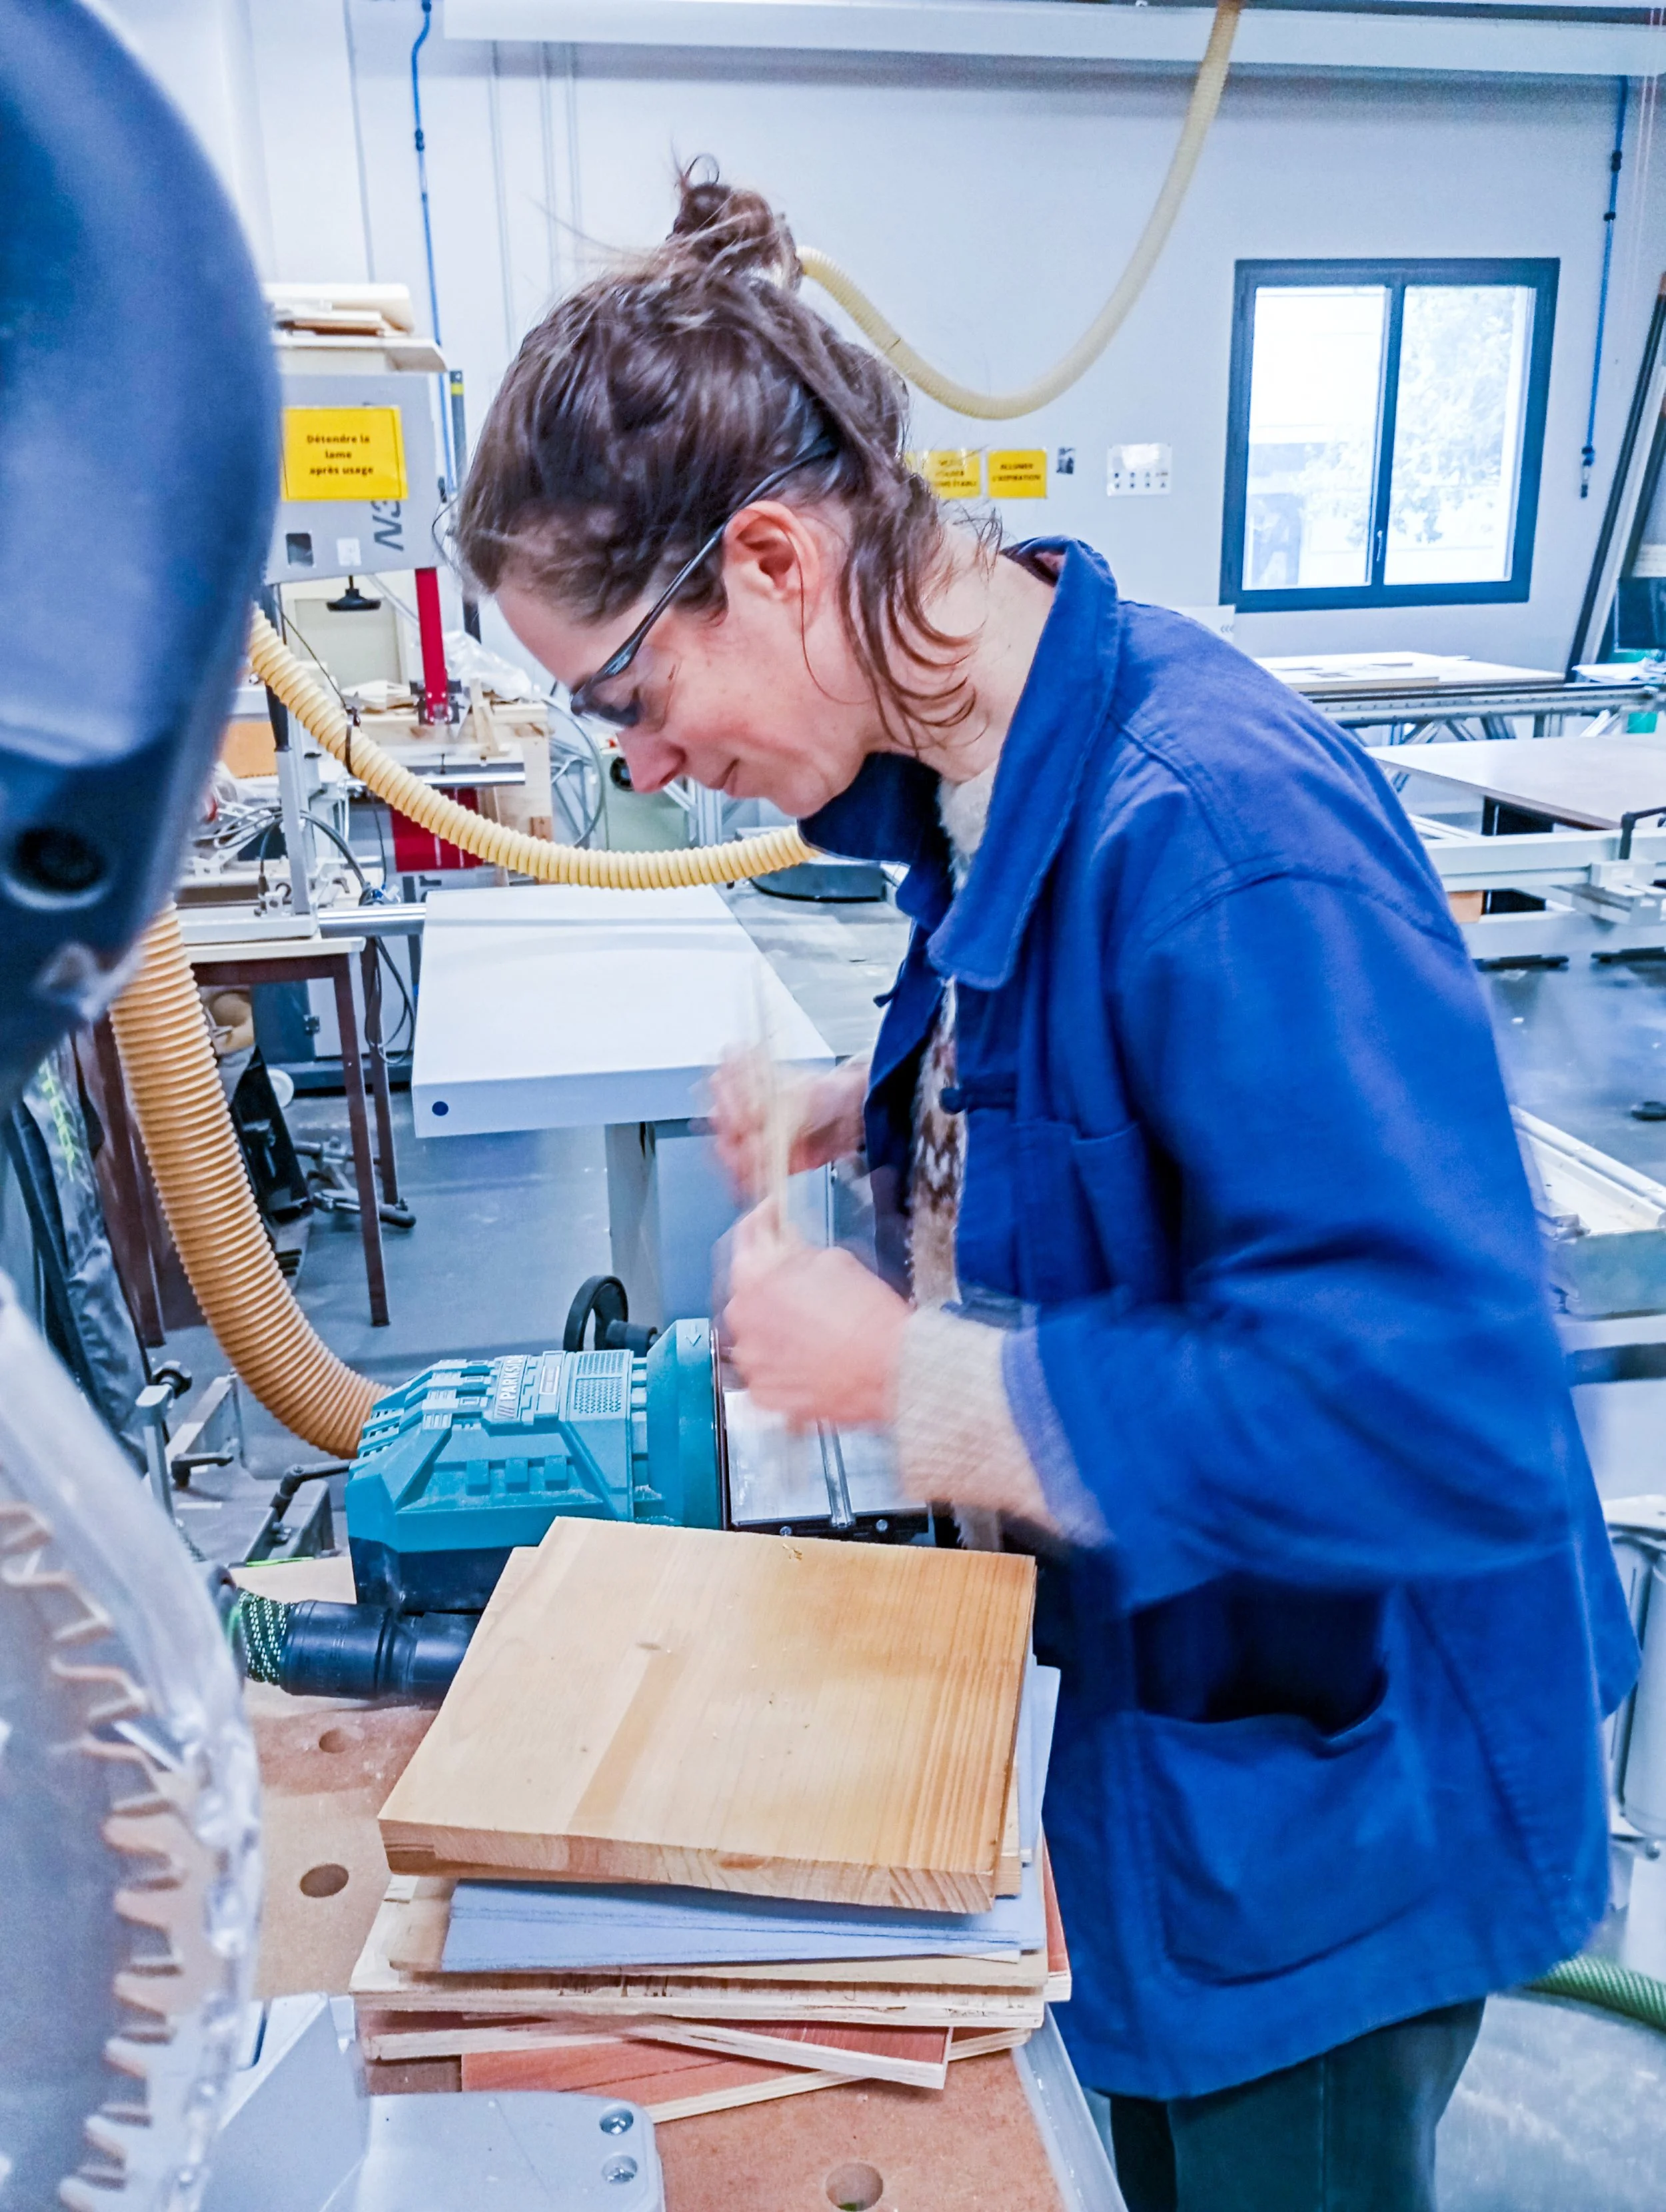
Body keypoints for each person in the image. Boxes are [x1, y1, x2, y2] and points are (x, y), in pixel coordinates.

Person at [454, 163, 1638, 2211]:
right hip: (1170, 1758)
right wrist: (889, 1111)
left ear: (771, 558)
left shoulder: (1215, 831)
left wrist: (905, 1378)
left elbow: (1431, 1412)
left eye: (622, 695)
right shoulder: (980, 771)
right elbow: (1115, 1103)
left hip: (1321, 1832)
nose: (632, 766)